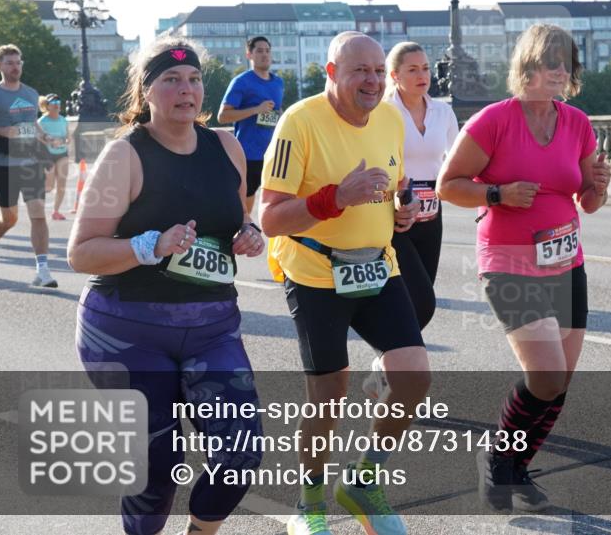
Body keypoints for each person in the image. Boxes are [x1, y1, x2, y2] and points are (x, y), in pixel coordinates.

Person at [67, 37, 265, 535]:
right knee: (158, 464)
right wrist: (150, 246)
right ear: (147, 91)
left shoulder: (226, 146)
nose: (186, 89)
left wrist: (250, 234)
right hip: (126, 327)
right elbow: (81, 251)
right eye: (171, 80)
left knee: (240, 451)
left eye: (195, 79)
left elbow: (237, 217)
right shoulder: (125, 155)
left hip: (212, 325)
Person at [436, 23, 611, 513]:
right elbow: (448, 185)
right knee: (546, 376)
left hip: (566, 259)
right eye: (550, 62)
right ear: (528, 66)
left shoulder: (577, 122)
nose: (560, 71)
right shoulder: (494, 120)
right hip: (509, 259)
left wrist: (599, 184)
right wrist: (499, 193)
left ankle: (516, 467)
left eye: (566, 64)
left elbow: (589, 201)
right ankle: (496, 458)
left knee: (561, 380)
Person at [261, 31, 427, 535]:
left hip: (378, 264)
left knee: (413, 376)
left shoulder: (391, 118)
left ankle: (363, 481)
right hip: (314, 272)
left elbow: (395, 183)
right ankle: (310, 502)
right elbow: (269, 219)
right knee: (328, 395)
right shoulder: (300, 123)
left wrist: (403, 209)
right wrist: (335, 197)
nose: (372, 81)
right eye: (360, 71)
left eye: (378, 71)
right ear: (332, 73)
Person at [357, 43, 459, 398]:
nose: (423, 76)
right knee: (418, 301)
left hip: (431, 214)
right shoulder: (384, 113)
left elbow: (454, 164)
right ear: (395, 77)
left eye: (426, 68)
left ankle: (385, 365)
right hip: (394, 214)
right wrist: (398, 201)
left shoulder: (443, 113)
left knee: (422, 301)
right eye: (413, 70)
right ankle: (398, 371)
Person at [0, 44, 57, 287]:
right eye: (10, 63)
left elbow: (32, 122)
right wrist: (0, 130)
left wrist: (45, 137)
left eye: (18, 62)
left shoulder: (31, 93)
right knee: (9, 218)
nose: (16, 67)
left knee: (38, 214)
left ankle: (43, 271)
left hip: (30, 160)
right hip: (2, 162)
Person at [217, 36, 284, 212]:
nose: (265, 55)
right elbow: (223, 116)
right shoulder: (242, 81)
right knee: (245, 208)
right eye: (259, 51)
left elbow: (276, 111)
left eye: (267, 51)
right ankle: (243, 234)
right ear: (249, 54)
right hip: (248, 155)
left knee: (279, 202)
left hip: (275, 154)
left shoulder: (278, 82)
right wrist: (256, 109)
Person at [37, 93, 71, 220]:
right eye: (54, 104)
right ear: (48, 106)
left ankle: (56, 211)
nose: (57, 106)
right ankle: (37, 202)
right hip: (47, 155)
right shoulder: (42, 121)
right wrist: (50, 142)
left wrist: (64, 141)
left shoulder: (63, 120)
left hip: (62, 154)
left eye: (58, 103)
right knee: (49, 186)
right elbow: (38, 139)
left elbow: (69, 137)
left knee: (62, 185)